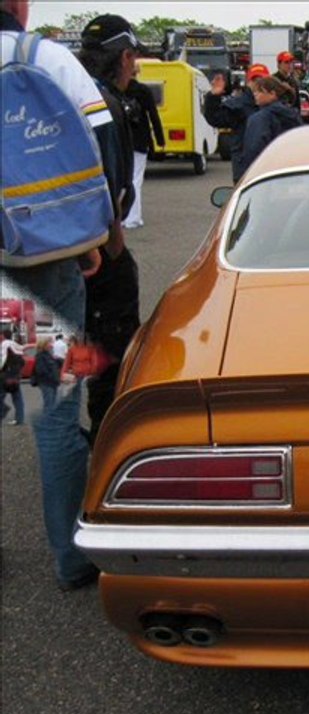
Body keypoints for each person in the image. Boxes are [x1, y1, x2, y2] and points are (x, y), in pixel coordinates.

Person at [1, 1, 127, 591]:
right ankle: (71, 558)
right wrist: (96, 234)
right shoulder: (46, 57)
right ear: (20, 6)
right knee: (51, 412)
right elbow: (103, 147)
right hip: (42, 254)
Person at [78, 14, 144, 444]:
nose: (136, 68)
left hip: (33, 246)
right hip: (95, 249)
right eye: (134, 58)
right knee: (111, 346)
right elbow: (113, 187)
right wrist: (115, 246)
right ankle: (108, 435)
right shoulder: (105, 105)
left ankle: (63, 433)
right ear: (123, 56)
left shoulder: (62, 92)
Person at [204, 63, 271, 183]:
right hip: (244, 169)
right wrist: (213, 97)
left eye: (261, 80)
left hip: (269, 166)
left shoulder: (275, 106)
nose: (257, 84)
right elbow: (215, 118)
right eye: (254, 80)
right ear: (248, 82)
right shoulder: (238, 105)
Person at [122, 63, 165, 229]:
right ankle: (133, 218)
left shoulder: (117, 91)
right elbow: (153, 116)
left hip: (123, 139)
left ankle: (124, 217)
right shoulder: (143, 91)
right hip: (140, 140)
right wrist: (160, 139)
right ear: (137, 72)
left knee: (124, 179)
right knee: (136, 178)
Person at [235, 75, 302, 179]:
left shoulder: (260, 118)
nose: (255, 94)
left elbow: (254, 149)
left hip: (264, 174)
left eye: (259, 91)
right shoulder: (293, 115)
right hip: (291, 172)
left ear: (272, 94)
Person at [1, 328, 25, 425]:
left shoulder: (4, 346)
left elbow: (2, 362)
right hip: (15, 377)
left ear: (3, 335)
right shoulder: (16, 347)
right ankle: (19, 419)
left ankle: (4, 409)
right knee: (18, 399)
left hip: (4, 377)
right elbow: (22, 362)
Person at [31, 337, 60, 411]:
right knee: (49, 404)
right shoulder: (40, 356)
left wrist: (58, 361)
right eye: (48, 343)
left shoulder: (48, 354)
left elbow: (54, 366)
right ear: (43, 345)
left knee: (52, 404)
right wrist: (51, 376)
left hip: (53, 382)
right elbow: (41, 370)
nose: (50, 345)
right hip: (47, 383)